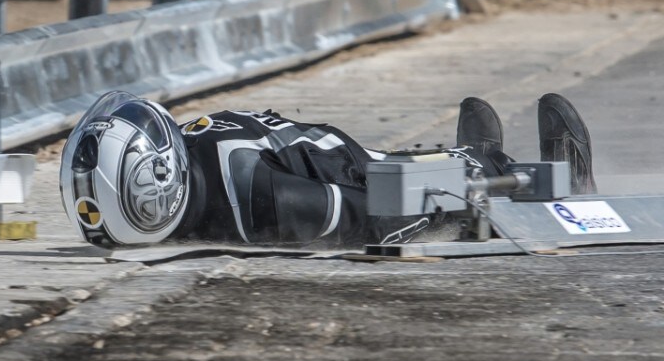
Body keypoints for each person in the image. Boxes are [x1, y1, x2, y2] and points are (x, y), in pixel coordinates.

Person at [59, 91, 596, 249]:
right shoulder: (263, 200)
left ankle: (472, 159)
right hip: (347, 171)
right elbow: (369, 215)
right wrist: (467, 193)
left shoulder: (193, 191)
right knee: (398, 178)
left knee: (396, 166)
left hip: (318, 153)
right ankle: (557, 177)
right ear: (158, 179)